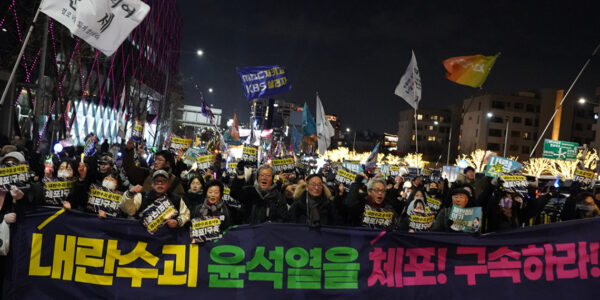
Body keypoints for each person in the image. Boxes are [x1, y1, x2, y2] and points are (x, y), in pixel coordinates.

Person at [120, 170, 190, 230]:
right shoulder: (142, 196)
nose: (160, 184)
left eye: (163, 181)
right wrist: (130, 194)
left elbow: (186, 215)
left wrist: (177, 222)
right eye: (157, 181)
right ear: (152, 184)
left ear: (168, 184)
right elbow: (128, 210)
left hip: (168, 238)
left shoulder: (176, 199)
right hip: (144, 237)